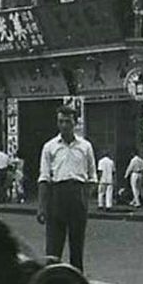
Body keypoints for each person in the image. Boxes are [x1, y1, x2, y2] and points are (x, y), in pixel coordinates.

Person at [37, 105, 97, 272]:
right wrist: (42, 207)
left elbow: (92, 176)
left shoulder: (85, 146)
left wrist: (85, 200)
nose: (64, 125)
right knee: (53, 248)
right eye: (60, 121)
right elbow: (44, 178)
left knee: (77, 247)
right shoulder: (50, 147)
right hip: (56, 196)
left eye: (68, 121)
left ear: (75, 123)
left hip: (77, 195)